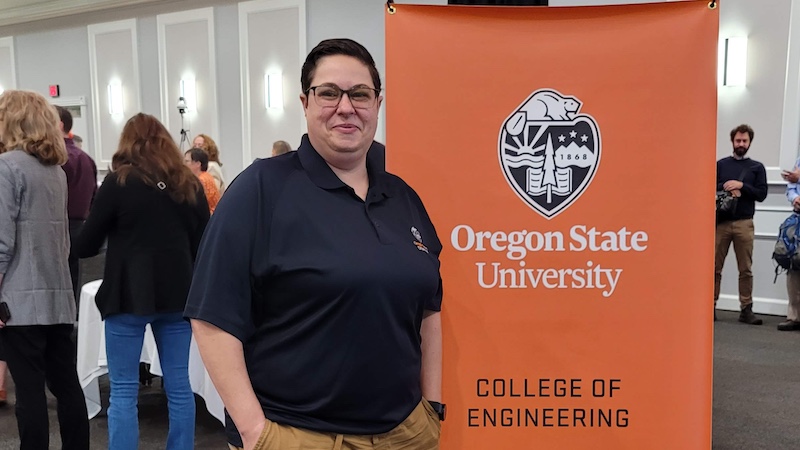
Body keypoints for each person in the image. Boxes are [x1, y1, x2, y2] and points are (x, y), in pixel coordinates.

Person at [185, 38, 444, 450]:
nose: (346, 107)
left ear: (377, 103)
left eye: (360, 94)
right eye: (329, 93)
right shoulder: (260, 189)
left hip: (405, 434)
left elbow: (430, 307)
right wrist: (256, 434)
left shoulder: (403, 197)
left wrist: (432, 409)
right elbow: (211, 320)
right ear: (305, 102)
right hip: (297, 435)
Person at [76, 113, 209, 450]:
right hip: (180, 294)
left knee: (122, 390)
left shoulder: (119, 183)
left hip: (127, 295)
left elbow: (87, 244)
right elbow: (204, 243)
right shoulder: (188, 184)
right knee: (180, 386)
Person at [0, 90, 90, 449]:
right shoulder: (55, 171)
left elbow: (1, 243)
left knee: (30, 393)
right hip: (57, 294)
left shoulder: (7, 167)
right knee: (66, 385)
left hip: (19, 300)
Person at [715, 124, 768, 324]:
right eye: (738, 140)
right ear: (732, 141)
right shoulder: (721, 165)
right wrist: (728, 187)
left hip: (745, 223)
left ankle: (746, 308)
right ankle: (710, 306)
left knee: (745, 269)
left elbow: (761, 194)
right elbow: (708, 185)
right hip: (721, 223)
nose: (741, 144)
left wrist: (742, 186)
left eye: (744, 141)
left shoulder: (757, 167)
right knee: (714, 268)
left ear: (749, 143)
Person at [55, 105, 98, 304]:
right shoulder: (87, 159)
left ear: (59, 124)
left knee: (59, 283)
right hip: (81, 225)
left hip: (59, 226)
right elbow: (94, 197)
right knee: (74, 280)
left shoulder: (57, 158)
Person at [779, 162, 800, 330]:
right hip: (797, 218)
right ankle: (794, 316)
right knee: (793, 264)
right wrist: (795, 198)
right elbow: (791, 187)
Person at [184, 147, 221, 214]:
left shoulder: (201, 181)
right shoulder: (207, 176)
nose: (184, 164)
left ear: (198, 164)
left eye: (187, 161)